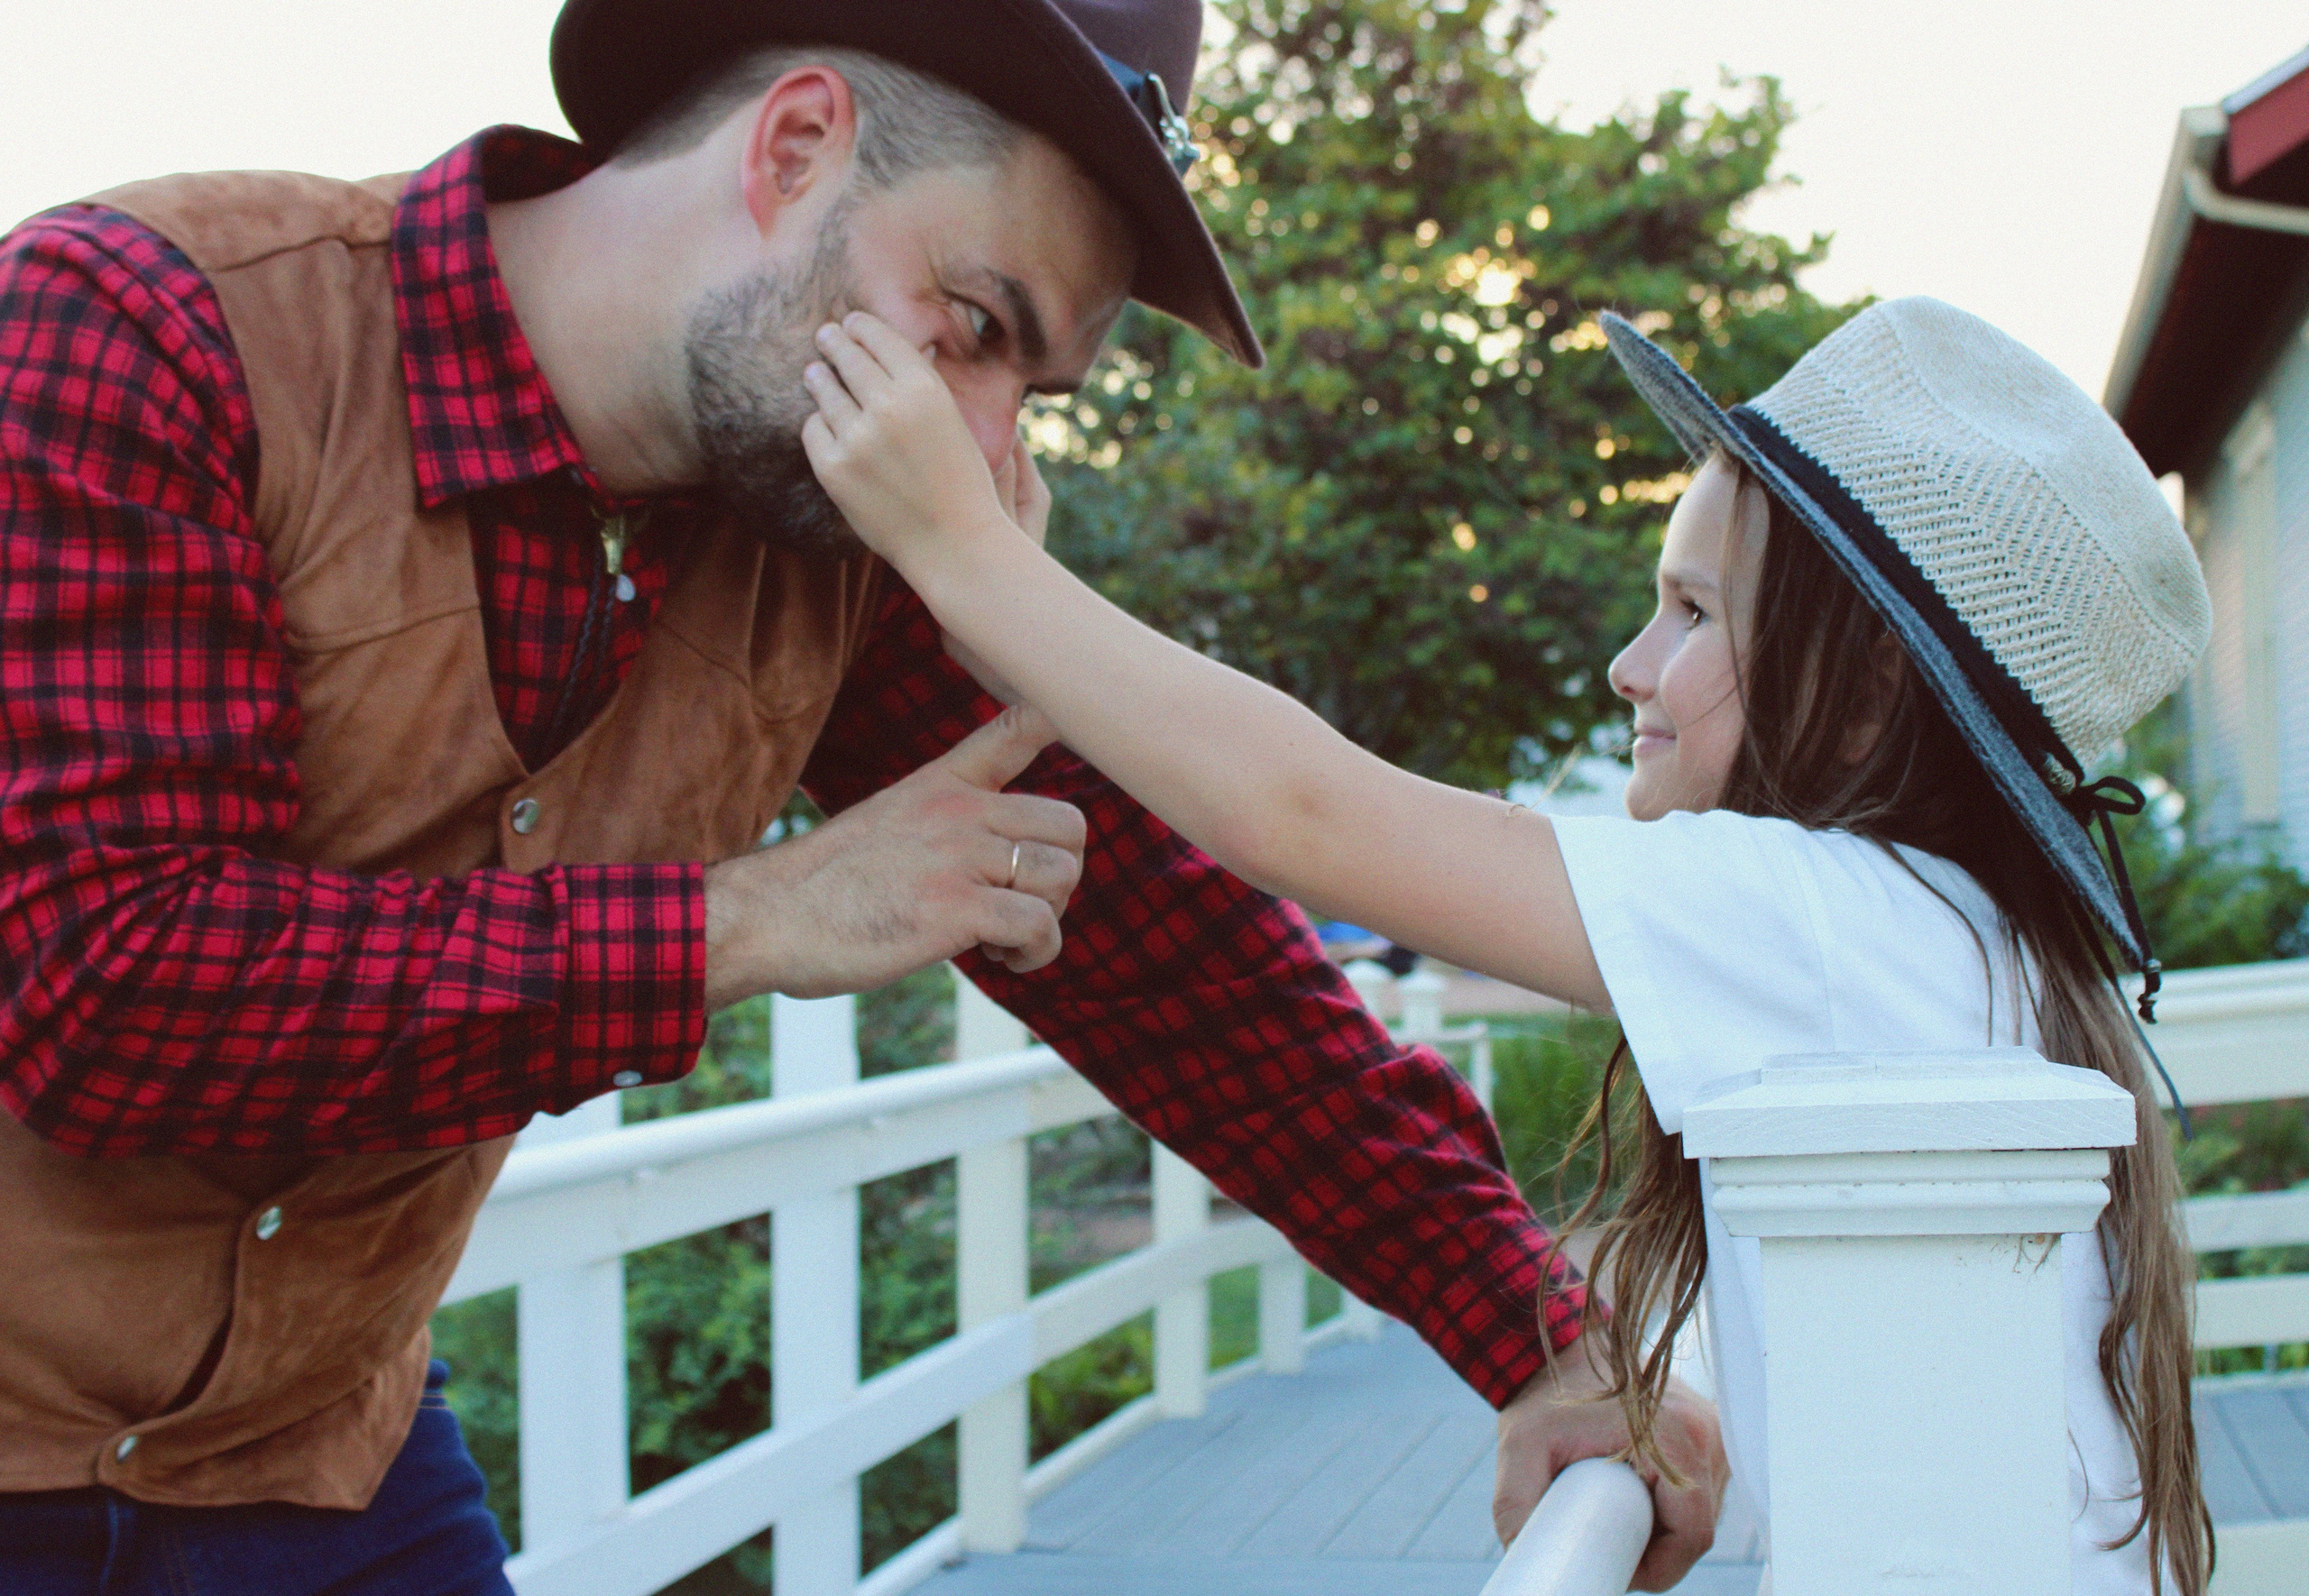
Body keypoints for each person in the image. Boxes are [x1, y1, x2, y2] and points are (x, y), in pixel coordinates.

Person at [0, 2, 1724, 1590]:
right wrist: (753, 916)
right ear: (796, 146)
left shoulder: (835, 526)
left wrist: (1536, 1328)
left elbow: (1164, 953)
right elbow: (101, 983)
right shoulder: (140, 323)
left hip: (319, 1452)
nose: (978, 449)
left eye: (1028, 396)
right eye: (976, 329)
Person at [801, 293, 2218, 1592]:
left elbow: (1308, 813)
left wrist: (959, 550)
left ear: (1860, 697)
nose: (1630, 662)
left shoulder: (1841, 919)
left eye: (1692, 611)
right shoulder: (1958, 939)